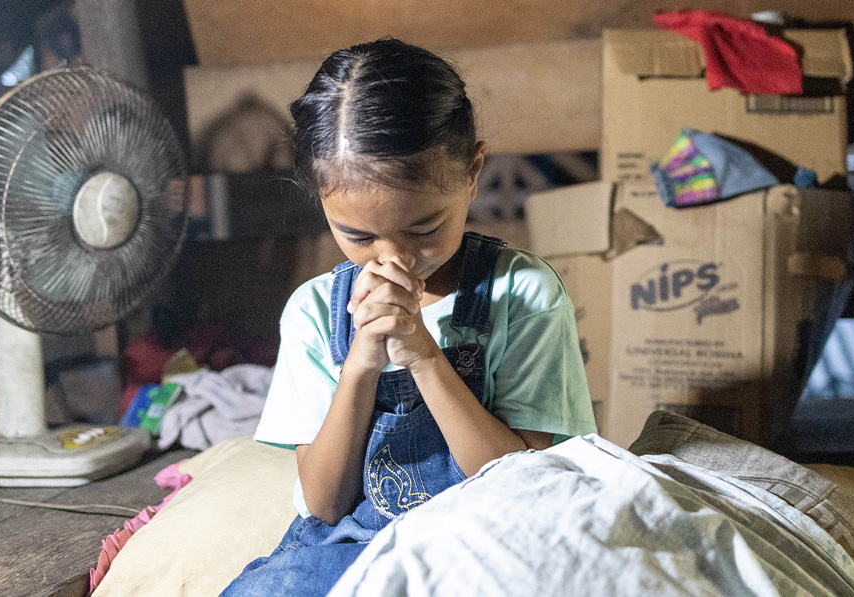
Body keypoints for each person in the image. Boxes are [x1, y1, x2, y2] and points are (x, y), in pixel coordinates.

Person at [220, 38, 597, 597]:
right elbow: (323, 505)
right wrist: (361, 364)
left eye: (423, 228)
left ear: (473, 173)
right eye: (358, 235)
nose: (392, 258)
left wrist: (423, 355)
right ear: (321, 202)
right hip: (354, 546)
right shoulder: (315, 313)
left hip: (490, 540)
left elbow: (528, 488)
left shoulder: (523, 294)